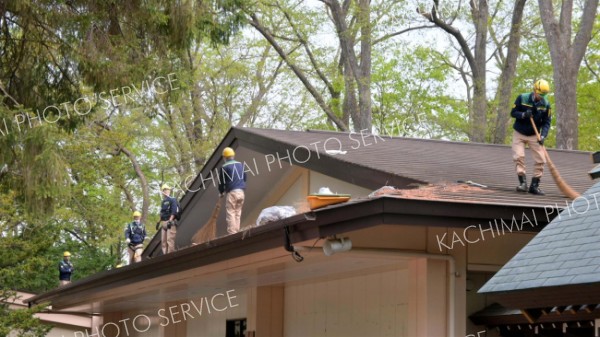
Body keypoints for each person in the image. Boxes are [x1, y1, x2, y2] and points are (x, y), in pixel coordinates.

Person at [510, 79, 552, 196]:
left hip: (534, 134)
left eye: (544, 95)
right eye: (540, 94)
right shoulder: (522, 98)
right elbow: (513, 113)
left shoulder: (546, 105)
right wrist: (523, 115)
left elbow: (547, 122)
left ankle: (534, 186)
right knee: (519, 156)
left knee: (540, 159)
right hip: (519, 132)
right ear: (535, 91)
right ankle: (523, 183)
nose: (541, 97)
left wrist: (543, 135)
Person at [218, 147, 246, 234]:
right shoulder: (240, 164)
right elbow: (245, 177)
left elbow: (221, 182)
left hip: (232, 192)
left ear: (224, 157)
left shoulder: (224, 167)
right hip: (241, 192)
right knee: (238, 212)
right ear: (233, 155)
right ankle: (237, 231)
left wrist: (221, 192)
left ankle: (232, 233)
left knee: (231, 212)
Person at [159, 184, 179, 254]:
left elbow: (174, 211)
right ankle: (165, 255)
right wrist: (159, 222)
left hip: (170, 221)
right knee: (163, 241)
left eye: (167, 190)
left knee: (169, 240)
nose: (166, 191)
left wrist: (170, 220)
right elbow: (162, 212)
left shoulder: (172, 199)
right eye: (164, 190)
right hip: (164, 222)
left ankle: (170, 254)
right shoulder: (163, 202)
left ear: (169, 191)